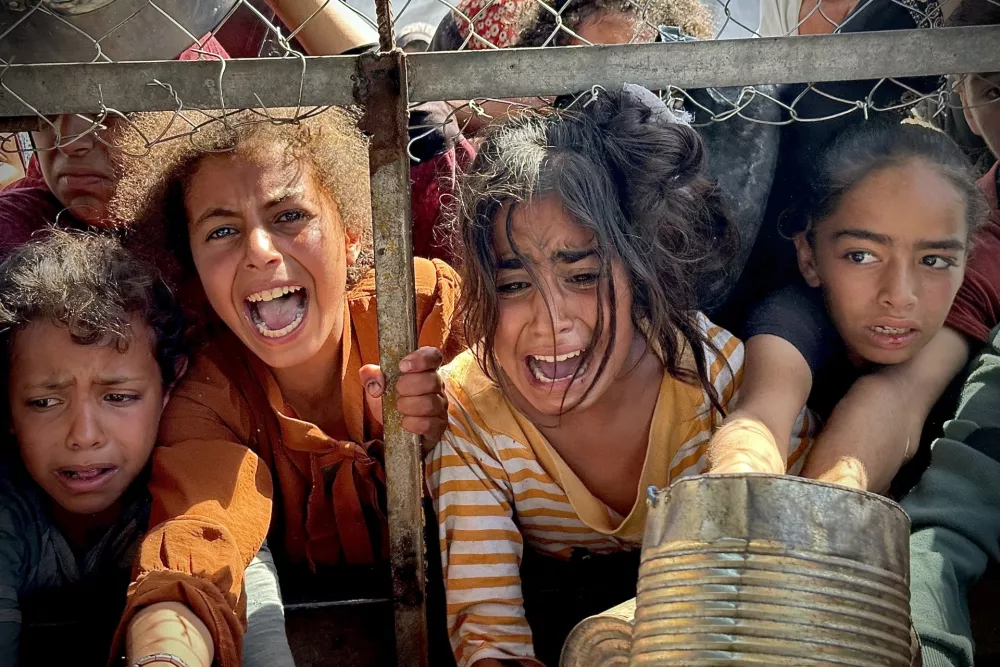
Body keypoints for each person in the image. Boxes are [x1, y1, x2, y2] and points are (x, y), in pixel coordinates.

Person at [426, 86, 815, 667]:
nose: (549, 322)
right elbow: (489, 638)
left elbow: (790, 587)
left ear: (642, 268)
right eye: (512, 285)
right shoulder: (470, 408)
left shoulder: (716, 383)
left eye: (581, 277)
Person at [108, 106, 463, 664]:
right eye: (222, 230)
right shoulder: (208, 390)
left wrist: (459, 423)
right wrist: (163, 655)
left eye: (290, 215)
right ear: (195, 266)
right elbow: (198, 540)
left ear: (350, 235)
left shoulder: (423, 311)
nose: (259, 250)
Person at [0, 230, 293, 667]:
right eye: (44, 402)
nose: (83, 435)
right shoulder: (9, 511)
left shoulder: (203, 503)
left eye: (119, 397)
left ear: (170, 386)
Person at [709, 120, 990, 491]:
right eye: (862, 256)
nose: (900, 294)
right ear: (809, 257)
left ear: (967, 261)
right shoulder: (791, 317)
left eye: (934, 260)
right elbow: (763, 410)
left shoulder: (974, 324)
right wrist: (738, 470)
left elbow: (895, 405)